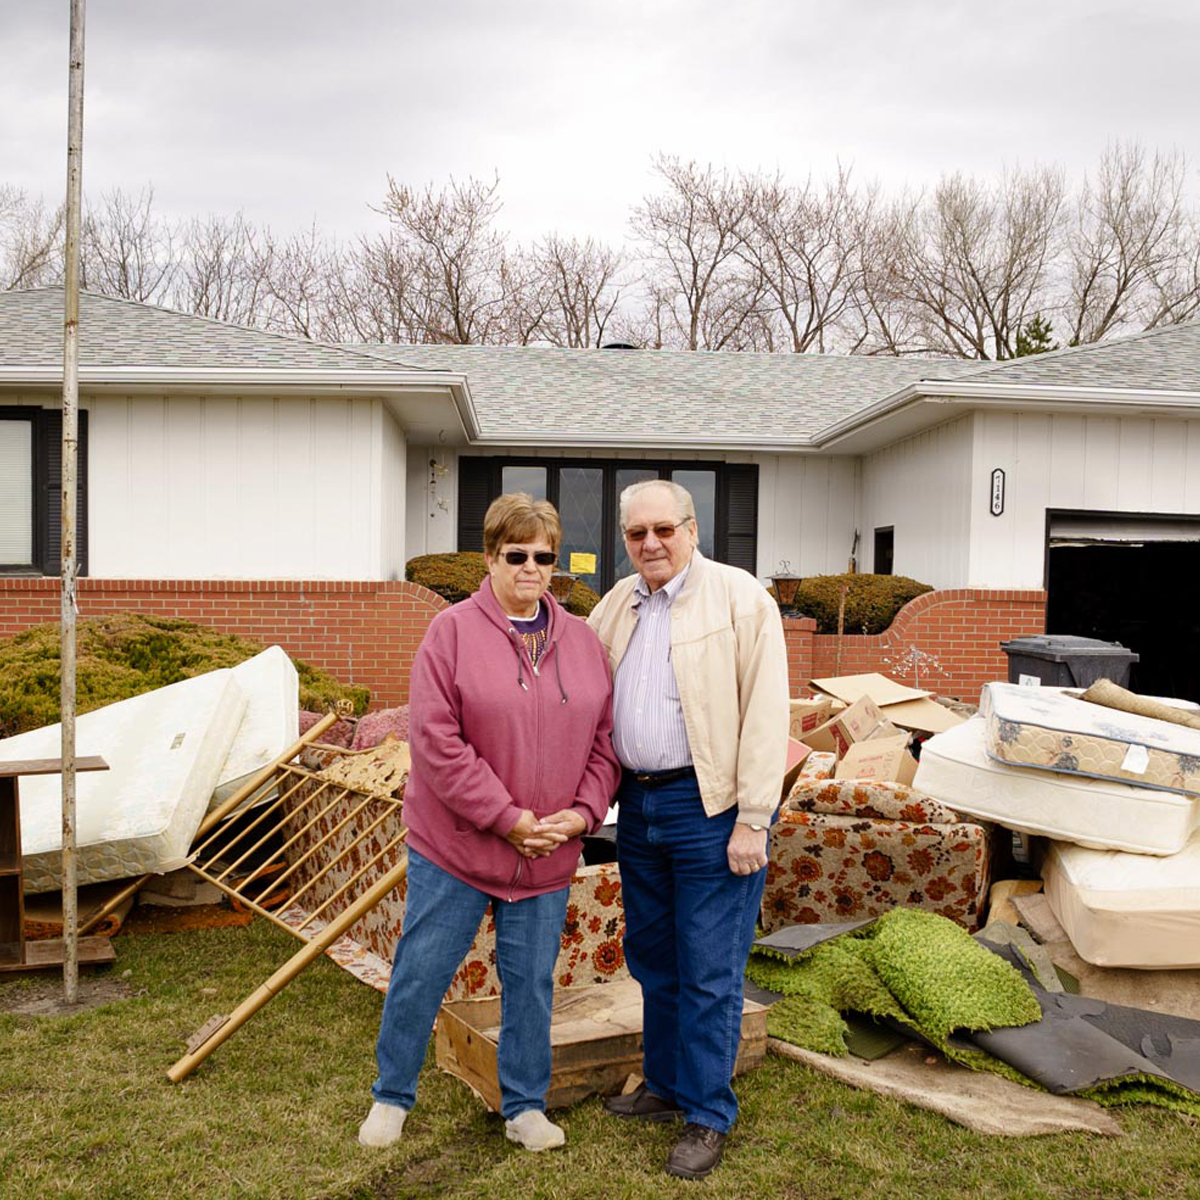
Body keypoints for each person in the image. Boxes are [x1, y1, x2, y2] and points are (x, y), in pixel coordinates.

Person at [358, 493, 621, 1153]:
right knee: (422, 970)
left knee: (531, 983)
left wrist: (581, 816)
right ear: (490, 557)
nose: (531, 568)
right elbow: (438, 742)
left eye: (544, 557)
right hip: (456, 849)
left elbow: (605, 744)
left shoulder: (584, 643)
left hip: (547, 854)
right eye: (517, 555)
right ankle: (392, 1097)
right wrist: (505, 820)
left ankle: (525, 1106)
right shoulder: (450, 633)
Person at [587, 479, 788, 1180]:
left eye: (663, 530)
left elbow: (765, 713)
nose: (650, 544)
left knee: (708, 967)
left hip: (712, 810)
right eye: (637, 534)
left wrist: (753, 819)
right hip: (637, 809)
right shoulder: (617, 605)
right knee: (654, 957)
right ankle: (669, 1085)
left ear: (692, 530)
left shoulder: (740, 601)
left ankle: (708, 1112)